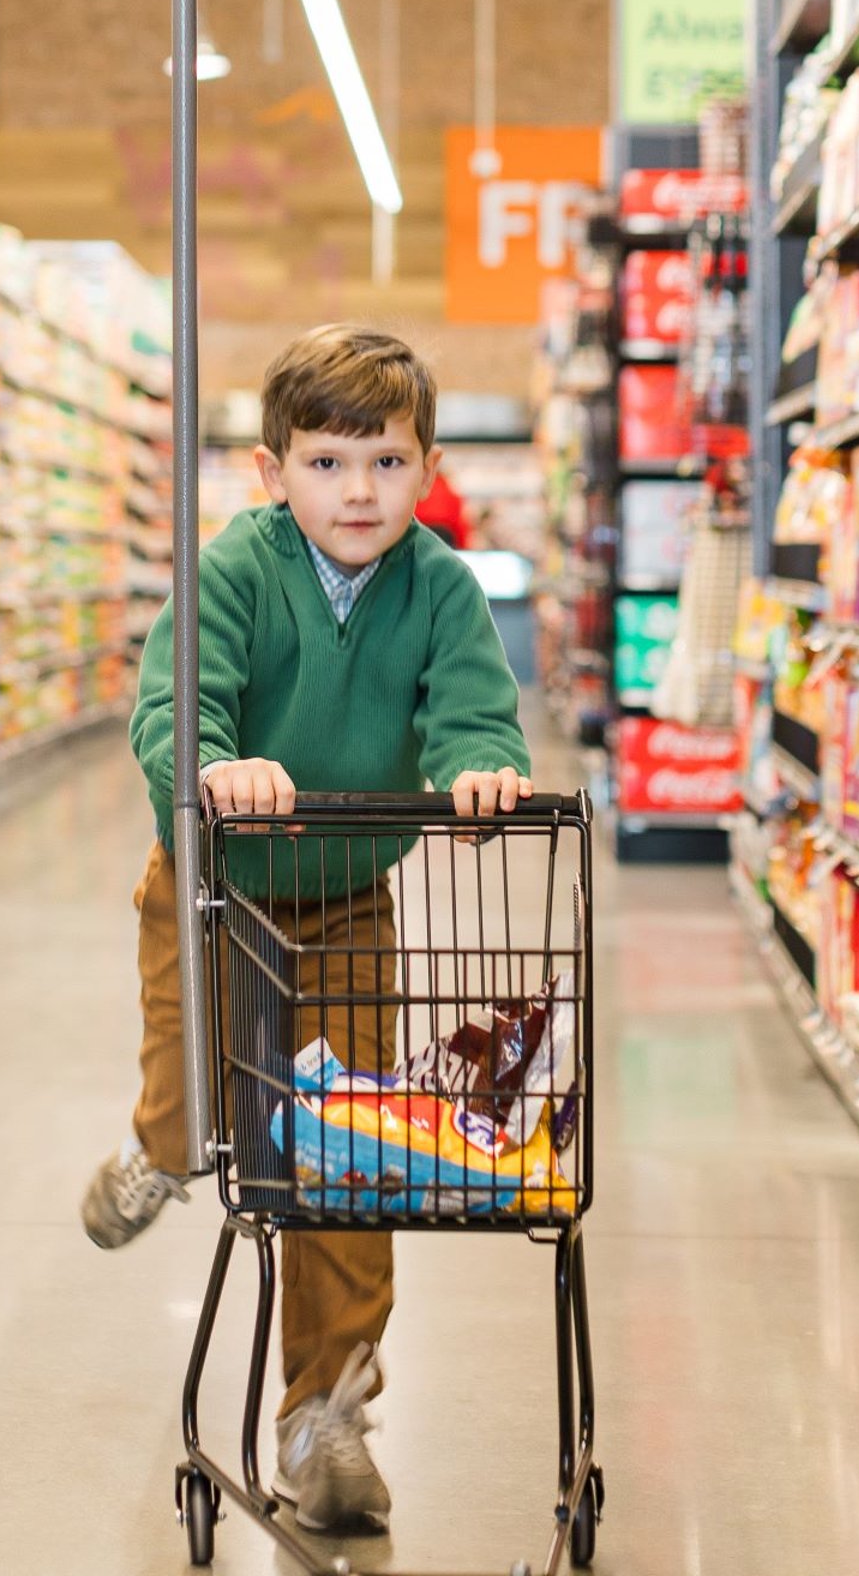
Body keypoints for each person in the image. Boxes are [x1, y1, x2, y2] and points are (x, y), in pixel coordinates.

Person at [81, 324, 531, 1535]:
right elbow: (177, 701)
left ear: (427, 467)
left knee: (344, 1152)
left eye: (386, 463)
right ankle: (157, 1149)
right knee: (199, 1101)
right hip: (212, 888)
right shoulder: (234, 568)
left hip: (343, 903)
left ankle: (325, 1409)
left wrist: (484, 767)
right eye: (328, 463)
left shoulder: (439, 586)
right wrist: (214, 768)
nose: (358, 492)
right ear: (273, 469)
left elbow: (476, 709)